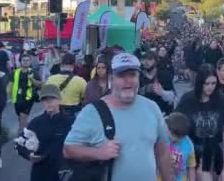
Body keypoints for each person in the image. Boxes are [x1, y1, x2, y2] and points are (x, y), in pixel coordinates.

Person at [63, 53, 173, 181]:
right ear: (111, 79)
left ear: (138, 78)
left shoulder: (152, 108)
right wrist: (98, 153)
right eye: (121, 75)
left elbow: (163, 152)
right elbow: (68, 149)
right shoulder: (92, 112)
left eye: (132, 75)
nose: (128, 80)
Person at [176, 64, 224, 181]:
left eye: (213, 83)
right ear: (200, 83)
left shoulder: (222, 100)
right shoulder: (187, 100)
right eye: (206, 84)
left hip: (213, 152)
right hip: (191, 150)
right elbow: (176, 127)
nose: (210, 87)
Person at [27, 84, 74, 181]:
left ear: (59, 99)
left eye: (52, 99)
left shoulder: (70, 122)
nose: (48, 102)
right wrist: (29, 154)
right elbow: (20, 143)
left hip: (63, 173)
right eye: (45, 99)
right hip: (40, 173)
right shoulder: (36, 123)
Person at [8, 54, 43, 132]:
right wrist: (8, 93)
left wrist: (32, 79)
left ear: (30, 62)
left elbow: (40, 84)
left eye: (27, 60)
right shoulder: (15, 72)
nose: (26, 62)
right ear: (20, 62)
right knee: (20, 117)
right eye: (24, 60)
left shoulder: (33, 72)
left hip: (28, 98)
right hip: (17, 98)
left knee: (23, 116)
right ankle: (25, 131)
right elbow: (10, 84)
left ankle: (21, 134)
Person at [162, 112, 197, 181]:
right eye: (172, 135)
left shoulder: (188, 145)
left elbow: (191, 167)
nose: (174, 139)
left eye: (178, 137)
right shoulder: (159, 137)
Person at [139, 51, 175, 115]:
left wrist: (162, 93)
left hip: (162, 112)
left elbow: (172, 96)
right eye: (144, 59)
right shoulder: (139, 75)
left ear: (156, 61)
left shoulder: (163, 74)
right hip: (145, 112)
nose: (146, 62)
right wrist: (145, 89)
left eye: (149, 59)